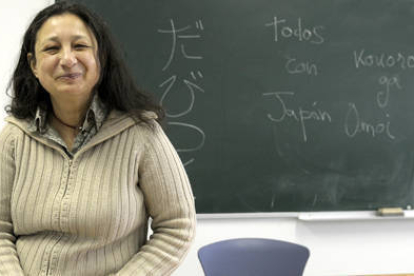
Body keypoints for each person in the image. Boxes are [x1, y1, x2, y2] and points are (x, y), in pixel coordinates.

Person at [0, 1, 196, 275]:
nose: (67, 59)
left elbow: (178, 225)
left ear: (101, 57)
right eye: (52, 48)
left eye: (80, 46)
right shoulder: (14, 135)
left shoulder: (141, 133)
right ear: (33, 64)